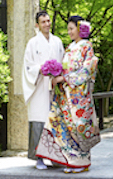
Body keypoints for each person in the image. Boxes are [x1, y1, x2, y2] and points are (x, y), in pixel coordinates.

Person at [36, 15, 100, 174]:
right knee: (59, 122)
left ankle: (82, 161)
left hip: (79, 95)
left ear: (80, 29)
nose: (69, 32)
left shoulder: (87, 46)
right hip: (66, 92)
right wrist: (56, 75)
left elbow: (87, 70)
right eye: (68, 29)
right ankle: (73, 160)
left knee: (78, 127)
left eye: (71, 29)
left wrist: (64, 78)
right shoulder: (70, 47)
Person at [22, 10, 65, 170]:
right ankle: (38, 158)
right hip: (39, 87)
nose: (46, 24)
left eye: (48, 21)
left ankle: (55, 158)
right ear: (37, 24)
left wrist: (57, 74)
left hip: (54, 87)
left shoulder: (57, 42)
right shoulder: (32, 43)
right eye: (43, 22)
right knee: (39, 121)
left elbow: (62, 63)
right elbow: (27, 66)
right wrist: (41, 69)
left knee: (54, 121)